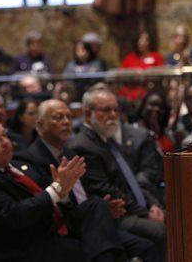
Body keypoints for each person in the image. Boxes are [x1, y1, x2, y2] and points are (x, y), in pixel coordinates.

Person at [20, 99, 158, 261]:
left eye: (68, 117)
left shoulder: (69, 153)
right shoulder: (32, 159)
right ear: (40, 125)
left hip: (90, 219)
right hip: (65, 227)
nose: (66, 122)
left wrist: (105, 211)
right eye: (58, 117)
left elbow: (86, 195)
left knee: (146, 247)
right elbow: (48, 208)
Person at [0, 118, 87, 261]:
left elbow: (50, 194)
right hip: (26, 249)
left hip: (57, 233)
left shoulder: (20, 162)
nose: (5, 142)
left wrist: (64, 191)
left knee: (96, 212)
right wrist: (58, 189)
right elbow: (15, 215)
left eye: (4, 135)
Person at [66, 89, 166, 257]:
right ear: (88, 114)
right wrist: (145, 213)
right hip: (113, 215)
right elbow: (107, 189)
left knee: (177, 219)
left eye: (115, 110)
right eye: (106, 110)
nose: (113, 115)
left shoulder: (106, 139)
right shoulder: (83, 146)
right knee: (159, 231)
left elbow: (130, 180)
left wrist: (152, 204)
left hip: (131, 208)